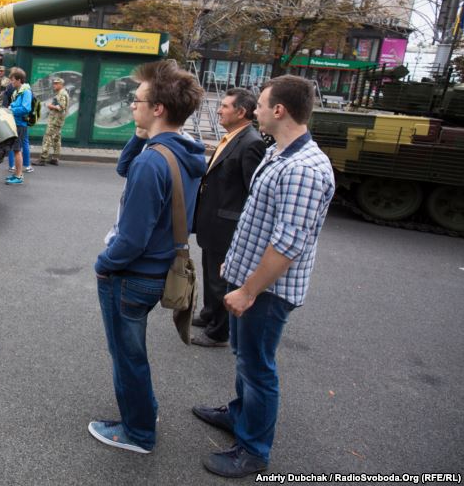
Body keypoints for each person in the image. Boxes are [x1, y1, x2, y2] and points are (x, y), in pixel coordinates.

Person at [194, 75, 335, 478]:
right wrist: (235, 264)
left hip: (266, 292)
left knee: (258, 368)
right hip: (250, 281)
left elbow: (287, 245)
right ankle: (239, 415)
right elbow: (256, 219)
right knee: (245, 358)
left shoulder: (304, 169)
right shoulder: (279, 152)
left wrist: (248, 289)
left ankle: (253, 449)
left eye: (260, 104)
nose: (254, 110)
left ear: (279, 110)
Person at [90, 60, 206, 454]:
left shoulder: (152, 161)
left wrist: (104, 265)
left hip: (132, 274)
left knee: (127, 357)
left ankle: (138, 433)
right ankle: (144, 413)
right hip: (160, 270)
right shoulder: (184, 150)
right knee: (133, 354)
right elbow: (125, 167)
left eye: (137, 100)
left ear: (158, 108)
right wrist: (141, 134)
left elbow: (132, 238)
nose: (131, 105)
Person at [191, 88, 266, 348]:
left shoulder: (252, 143)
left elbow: (253, 191)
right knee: (210, 272)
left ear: (241, 112)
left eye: (224, 106)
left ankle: (219, 332)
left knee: (220, 279)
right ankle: (209, 314)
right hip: (213, 222)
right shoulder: (232, 137)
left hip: (227, 225)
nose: (219, 110)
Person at [5, 68, 33, 185]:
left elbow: (26, 108)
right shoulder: (19, 91)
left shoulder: (26, 92)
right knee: (15, 149)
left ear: (19, 80)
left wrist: (11, 109)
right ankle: (17, 173)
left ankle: (19, 176)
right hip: (16, 123)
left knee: (17, 150)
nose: (11, 82)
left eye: (13, 80)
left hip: (20, 124)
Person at [36, 77, 69, 166]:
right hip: (58, 120)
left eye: (56, 83)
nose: (54, 85)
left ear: (61, 85)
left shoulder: (62, 94)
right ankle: (55, 158)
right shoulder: (62, 93)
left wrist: (51, 106)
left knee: (47, 137)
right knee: (56, 138)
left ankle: (43, 159)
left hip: (55, 120)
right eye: (54, 83)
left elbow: (61, 107)